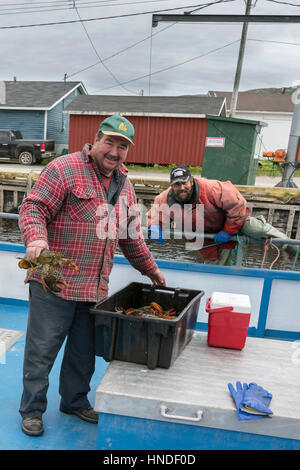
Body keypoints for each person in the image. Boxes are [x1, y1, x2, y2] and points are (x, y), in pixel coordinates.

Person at [18, 114, 166, 437]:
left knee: (83, 354)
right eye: (110, 142)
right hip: (52, 283)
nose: (115, 151)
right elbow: (33, 208)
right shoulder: (64, 169)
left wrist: (153, 271)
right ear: (96, 139)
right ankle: (32, 410)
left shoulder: (125, 187)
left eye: (122, 146)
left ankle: (73, 400)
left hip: (94, 288)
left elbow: (131, 238)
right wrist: (37, 239)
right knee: (41, 352)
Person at [147, 165, 293, 265]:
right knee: (217, 264)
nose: (181, 187)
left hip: (233, 222)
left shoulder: (211, 188)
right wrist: (154, 227)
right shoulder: (165, 198)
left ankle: (295, 249)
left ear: (191, 181)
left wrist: (229, 230)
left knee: (259, 230)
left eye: (184, 183)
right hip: (205, 234)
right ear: (171, 185)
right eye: (177, 184)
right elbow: (155, 215)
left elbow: (238, 204)